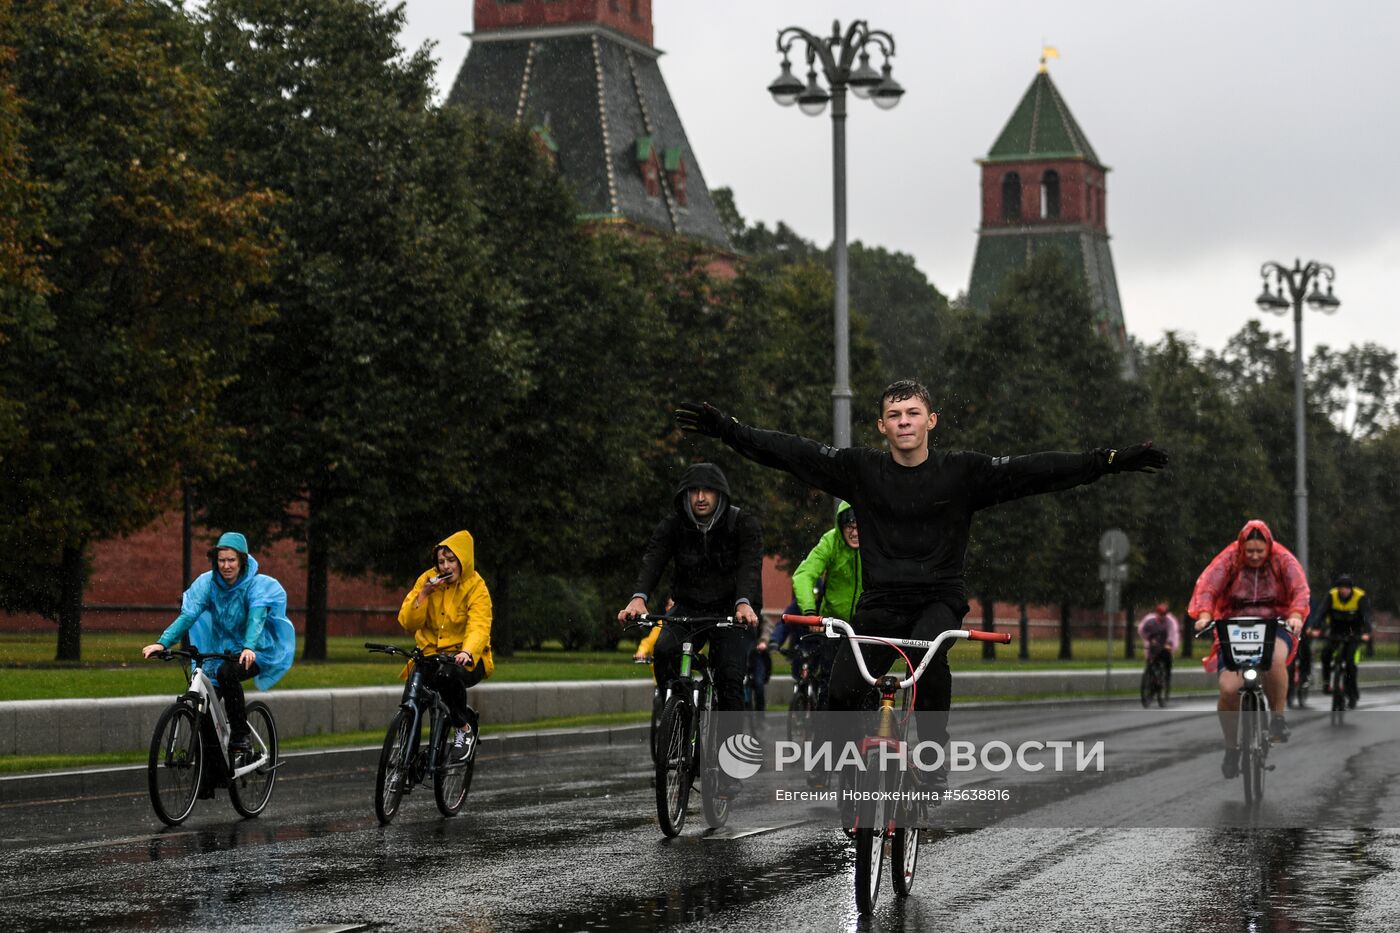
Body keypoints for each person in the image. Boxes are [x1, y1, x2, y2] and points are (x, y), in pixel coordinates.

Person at [675, 380, 1167, 791]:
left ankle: (931, 760)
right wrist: (730, 431)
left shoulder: (963, 472)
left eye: (914, 412)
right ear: (882, 426)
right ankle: (845, 773)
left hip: (938, 600)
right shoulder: (861, 470)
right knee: (842, 689)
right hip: (880, 603)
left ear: (932, 421)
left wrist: (1105, 460)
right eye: (894, 414)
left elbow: (1035, 471)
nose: (904, 421)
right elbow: (789, 452)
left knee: (929, 661)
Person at [617, 463, 763, 795]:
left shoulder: (743, 524)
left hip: (732, 611)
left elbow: (749, 567)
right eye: (694, 492)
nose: (700, 498)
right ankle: (680, 716)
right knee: (664, 651)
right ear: (684, 496)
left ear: (720, 495)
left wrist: (744, 603)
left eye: (707, 491)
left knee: (729, 678)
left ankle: (731, 764)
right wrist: (638, 599)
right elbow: (653, 560)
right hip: (689, 607)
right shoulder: (673, 525)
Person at [142, 532, 296, 755]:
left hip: (254, 652)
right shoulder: (208, 583)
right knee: (202, 712)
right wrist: (163, 643)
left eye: (231, 560)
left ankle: (241, 736)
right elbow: (189, 615)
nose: (226, 566)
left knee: (227, 673)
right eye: (221, 560)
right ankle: (206, 785)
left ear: (241, 560)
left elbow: (256, 618)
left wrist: (249, 646)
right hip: (219, 652)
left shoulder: (256, 586)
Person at [1189, 520, 1309, 778]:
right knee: (1229, 690)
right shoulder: (1229, 559)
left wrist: (1296, 615)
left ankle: (1277, 718)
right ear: (1242, 547)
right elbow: (1208, 587)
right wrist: (1205, 614)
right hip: (1233, 627)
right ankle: (1232, 749)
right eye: (1250, 551)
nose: (1254, 556)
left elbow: (1299, 590)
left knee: (1276, 659)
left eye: (1260, 551)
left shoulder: (1283, 560)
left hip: (1274, 625)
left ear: (1269, 547)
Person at [398, 530, 494, 763]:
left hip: (466, 658)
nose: (445, 567)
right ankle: (404, 757)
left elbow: (479, 625)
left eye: (451, 561)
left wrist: (467, 651)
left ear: (463, 561)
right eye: (441, 561)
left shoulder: (476, 587)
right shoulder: (427, 580)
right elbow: (408, 622)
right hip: (430, 654)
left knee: (447, 676)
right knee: (412, 693)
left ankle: (463, 728)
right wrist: (423, 594)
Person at [757, 501, 861, 711]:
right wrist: (811, 613)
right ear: (840, 525)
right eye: (849, 525)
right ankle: (824, 736)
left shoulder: (878, 543)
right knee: (830, 688)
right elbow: (804, 575)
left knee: (868, 690)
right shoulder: (830, 541)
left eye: (860, 525)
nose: (855, 531)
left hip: (866, 624)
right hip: (834, 626)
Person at [1308, 573, 1371, 709]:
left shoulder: (1360, 597)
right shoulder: (1332, 595)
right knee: (1325, 654)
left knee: (1350, 663)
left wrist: (1366, 633)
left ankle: (1352, 694)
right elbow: (1321, 613)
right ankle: (1326, 682)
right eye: (1341, 588)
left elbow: (1366, 616)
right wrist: (1315, 627)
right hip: (1335, 632)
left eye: (1347, 588)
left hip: (1354, 634)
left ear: (1351, 589)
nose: (1344, 590)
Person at [1137, 602, 1180, 691]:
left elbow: (1172, 633)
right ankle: (1150, 679)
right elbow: (1143, 630)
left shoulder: (1169, 622)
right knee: (1150, 662)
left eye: (1164, 614)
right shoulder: (1150, 621)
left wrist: (1169, 643)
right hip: (1153, 645)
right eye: (1160, 614)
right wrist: (1149, 639)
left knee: (1167, 659)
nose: (1162, 616)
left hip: (1164, 645)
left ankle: (1166, 679)